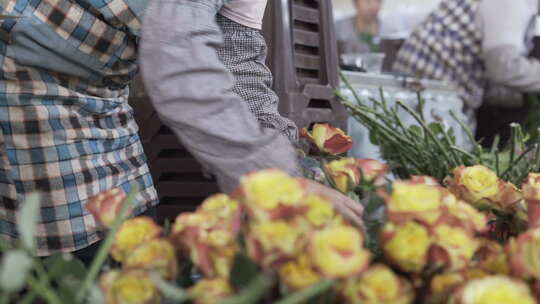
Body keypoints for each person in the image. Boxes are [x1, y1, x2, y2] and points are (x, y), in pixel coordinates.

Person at [393, 0, 540, 145]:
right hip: (434, 100)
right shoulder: (512, 3)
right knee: (440, 163)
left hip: (424, 91)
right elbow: (503, 65)